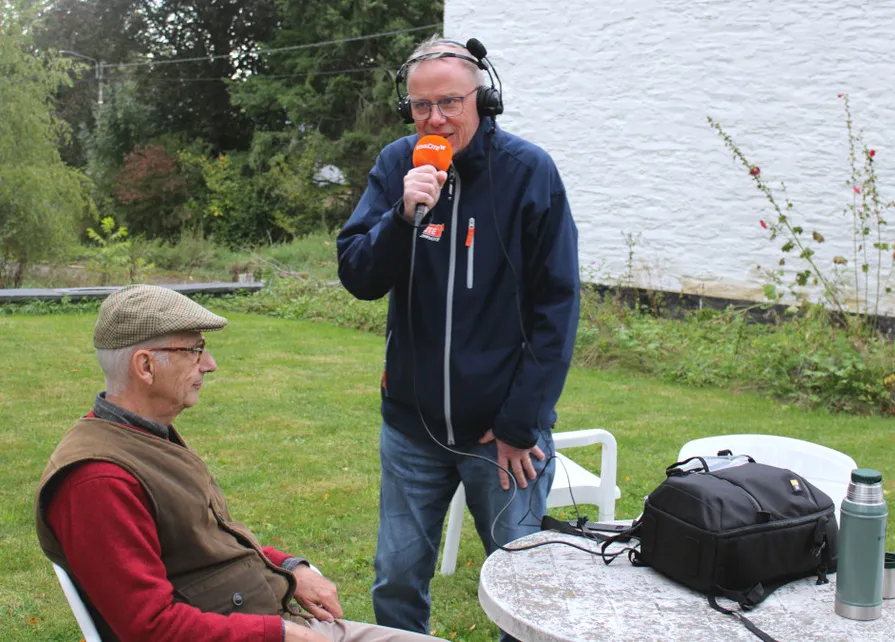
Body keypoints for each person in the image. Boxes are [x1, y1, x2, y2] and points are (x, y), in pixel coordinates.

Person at [336, 35, 580, 635]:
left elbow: (558, 306)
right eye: (422, 106)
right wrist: (402, 215)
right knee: (395, 575)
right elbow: (359, 275)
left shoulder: (528, 172)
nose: (436, 118)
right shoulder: (398, 164)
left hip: (500, 435)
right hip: (411, 427)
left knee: (522, 585)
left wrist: (522, 421)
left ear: (485, 98)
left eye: (450, 102)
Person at [34, 285, 437, 642]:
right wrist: (277, 634)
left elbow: (205, 542)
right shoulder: (97, 481)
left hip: (263, 618)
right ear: (145, 366)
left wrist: (288, 568)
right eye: (193, 349)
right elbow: (149, 628)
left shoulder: (142, 436)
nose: (209, 364)